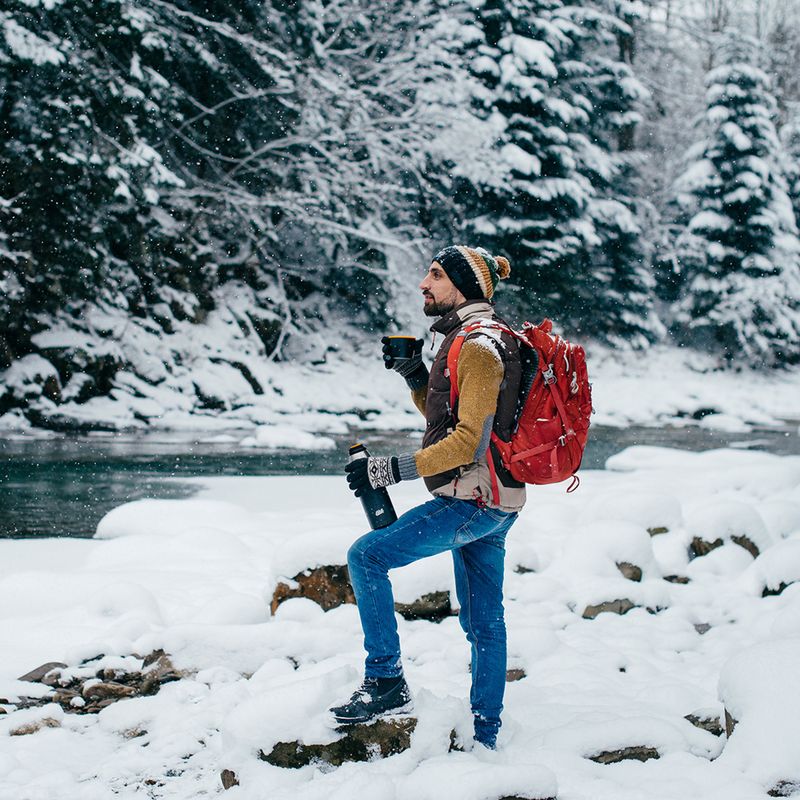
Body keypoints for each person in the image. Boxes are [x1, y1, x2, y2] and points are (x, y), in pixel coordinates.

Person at [331, 245, 525, 750]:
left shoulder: (480, 347)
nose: (424, 283)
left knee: (366, 557)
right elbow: (446, 420)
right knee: (484, 622)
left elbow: (467, 442)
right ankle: (486, 736)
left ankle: (386, 681)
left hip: (471, 500)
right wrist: (415, 374)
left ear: (464, 286)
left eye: (436, 275)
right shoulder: (466, 339)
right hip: (497, 501)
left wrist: (387, 470)